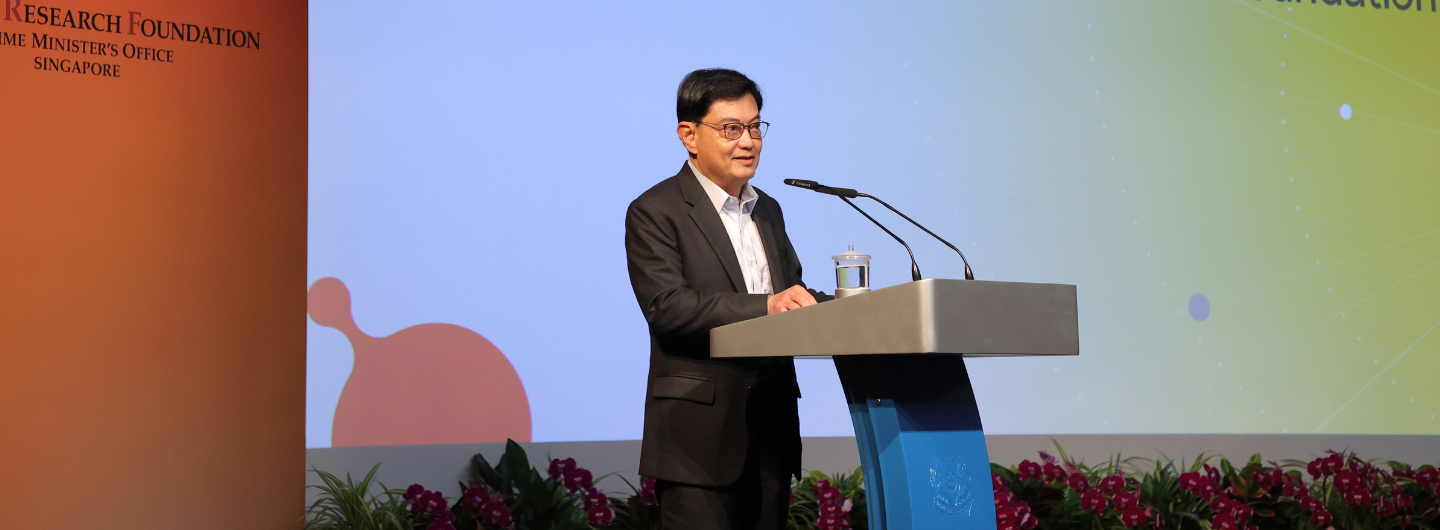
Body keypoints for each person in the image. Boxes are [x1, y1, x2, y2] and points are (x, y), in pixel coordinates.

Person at [624, 68, 831, 529]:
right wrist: (766, 307)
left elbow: (789, 293)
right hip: (698, 441)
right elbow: (668, 307)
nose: (749, 141)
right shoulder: (655, 211)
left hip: (771, 434)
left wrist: (848, 304)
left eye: (756, 126)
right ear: (689, 135)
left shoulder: (769, 210)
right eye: (732, 129)